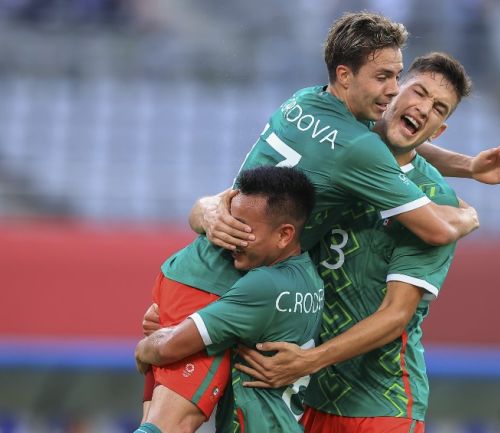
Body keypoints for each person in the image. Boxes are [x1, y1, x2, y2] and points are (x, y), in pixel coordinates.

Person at [234, 52, 478, 432]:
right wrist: (206, 211)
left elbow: (397, 315)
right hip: (314, 396)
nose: (424, 109)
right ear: (393, 92)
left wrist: (307, 361)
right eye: (419, 92)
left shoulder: (434, 200)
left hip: (383, 403)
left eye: (439, 108)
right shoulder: (333, 156)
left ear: (439, 130)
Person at [134, 166, 322, 433]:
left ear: (284, 235)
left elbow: (168, 348)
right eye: (230, 221)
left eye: (243, 228)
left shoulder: (263, 286)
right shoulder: (310, 280)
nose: (230, 236)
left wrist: (144, 347)